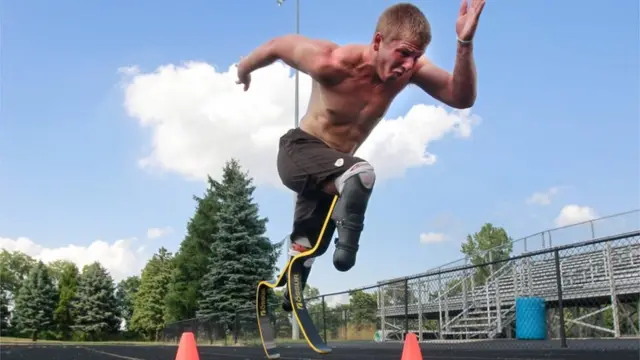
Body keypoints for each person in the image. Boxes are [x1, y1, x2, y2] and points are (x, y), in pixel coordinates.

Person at [236, 0, 485, 312]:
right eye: (403, 53)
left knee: (309, 243)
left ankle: (295, 278)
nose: (408, 65)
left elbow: (461, 97)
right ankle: (346, 247)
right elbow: (276, 46)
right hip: (298, 152)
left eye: (416, 57)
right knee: (361, 174)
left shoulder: (410, 72)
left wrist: (464, 42)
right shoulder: (331, 61)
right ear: (378, 42)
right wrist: (244, 69)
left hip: (333, 173)